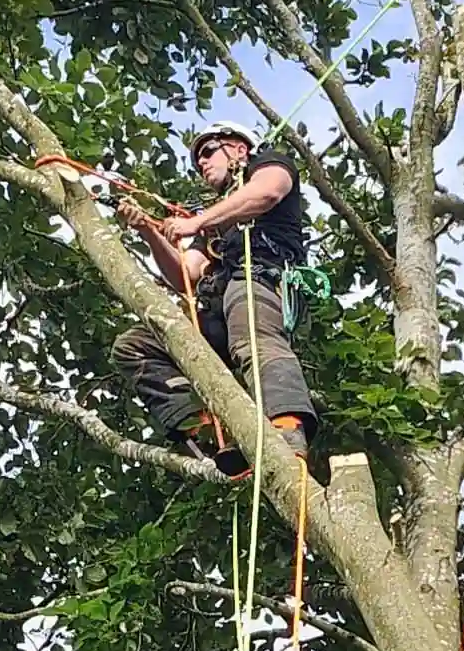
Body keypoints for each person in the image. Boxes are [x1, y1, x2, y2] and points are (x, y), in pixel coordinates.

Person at [109, 120, 323, 483]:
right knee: (137, 345)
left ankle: (286, 424)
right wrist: (147, 229)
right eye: (198, 161)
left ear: (238, 148)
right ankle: (204, 426)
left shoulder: (268, 165)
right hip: (218, 308)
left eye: (208, 152)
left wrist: (196, 222)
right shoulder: (214, 226)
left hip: (260, 282)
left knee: (252, 329)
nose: (202, 163)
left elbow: (267, 194)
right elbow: (184, 277)